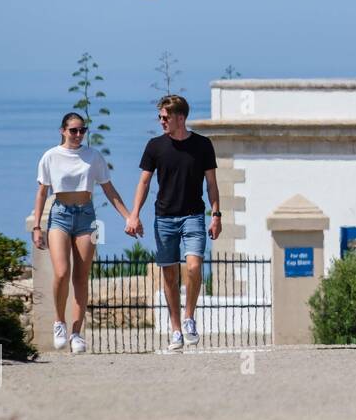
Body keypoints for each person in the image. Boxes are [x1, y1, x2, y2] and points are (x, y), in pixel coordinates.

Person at [31, 112, 134, 354]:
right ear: (62, 131)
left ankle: (76, 333)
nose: (78, 135)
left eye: (82, 131)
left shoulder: (93, 156)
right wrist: (37, 226)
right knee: (62, 272)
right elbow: (42, 193)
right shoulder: (50, 156)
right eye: (73, 130)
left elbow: (109, 190)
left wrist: (129, 216)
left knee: (81, 276)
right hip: (60, 215)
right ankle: (60, 322)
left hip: (87, 216)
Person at [126, 95, 221, 352]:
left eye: (165, 117)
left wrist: (216, 215)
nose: (161, 121)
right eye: (160, 117)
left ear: (181, 118)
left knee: (193, 267)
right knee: (169, 275)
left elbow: (211, 184)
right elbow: (144, 182)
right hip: (164, 218)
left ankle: (189, 318)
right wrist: (134, 214)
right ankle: (176, 329)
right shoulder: (155, 146)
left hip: (193, 216)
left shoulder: (203, 145)